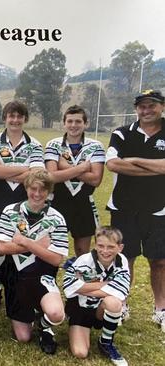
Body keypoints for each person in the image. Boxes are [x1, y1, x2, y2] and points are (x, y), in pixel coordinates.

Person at [106, 89, 165, 328]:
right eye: (142, 106)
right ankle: (122, 304)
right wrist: (157, 167)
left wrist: (134, 160)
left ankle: (160, 308)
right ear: (136, 108)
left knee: (159, 261)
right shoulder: (121, 133)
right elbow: (112, 164)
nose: (146, 110)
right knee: (125, 258)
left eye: (152, 105)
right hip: (124, 207)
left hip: (159, 208)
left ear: (161, 106)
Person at [0, 168, 68, 354]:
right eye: (33, 189)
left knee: (56, 314)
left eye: (42, 190)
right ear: (26, 188)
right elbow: (2, 248)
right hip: (16, 277)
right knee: (23, 337)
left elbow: (55, 259)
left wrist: (24, 241)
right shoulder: (10, 211)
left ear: (49, 191)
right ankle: (32, 313)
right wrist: (39, 245)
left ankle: (44, 326)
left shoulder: (57, 218)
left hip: (43, 275)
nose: (37, 194)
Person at [0, 100, 44, 310]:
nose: (15, 120)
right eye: (11, 116)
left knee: (19, 242)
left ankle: (16, 285)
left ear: (25, 119)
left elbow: (37, 174)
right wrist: (24, 170)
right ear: (5, 118)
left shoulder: (34, 144)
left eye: (19, 116)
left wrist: (4, 169)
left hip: (24, 200)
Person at [45, 105, 104, 266]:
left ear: (86, 123)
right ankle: (47, 284)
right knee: (52, 248)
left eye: (78, 121)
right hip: (57, 201)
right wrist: (82, 168)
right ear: (64, 123)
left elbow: (96, 179)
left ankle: (81, 286)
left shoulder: (95, 146)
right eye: (69, 121)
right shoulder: (53, 144)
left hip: (83, 202)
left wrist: (64, 166)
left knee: (82, 251)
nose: (73, 125)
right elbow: (51, 177)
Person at [63, 226, 130, 366]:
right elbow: (69, 287)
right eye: (101, 245)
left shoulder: (122, 261)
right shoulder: (84, 261)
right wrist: (106, 284)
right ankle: (79, 328)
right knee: (80, 353)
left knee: (114, 303)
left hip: (101, 308)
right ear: (95, 244)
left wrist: (83, 288)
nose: (105, 251)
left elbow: (121, 290)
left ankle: (106, 341)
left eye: (111, 247)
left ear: (120, 247)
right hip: (81, 308)